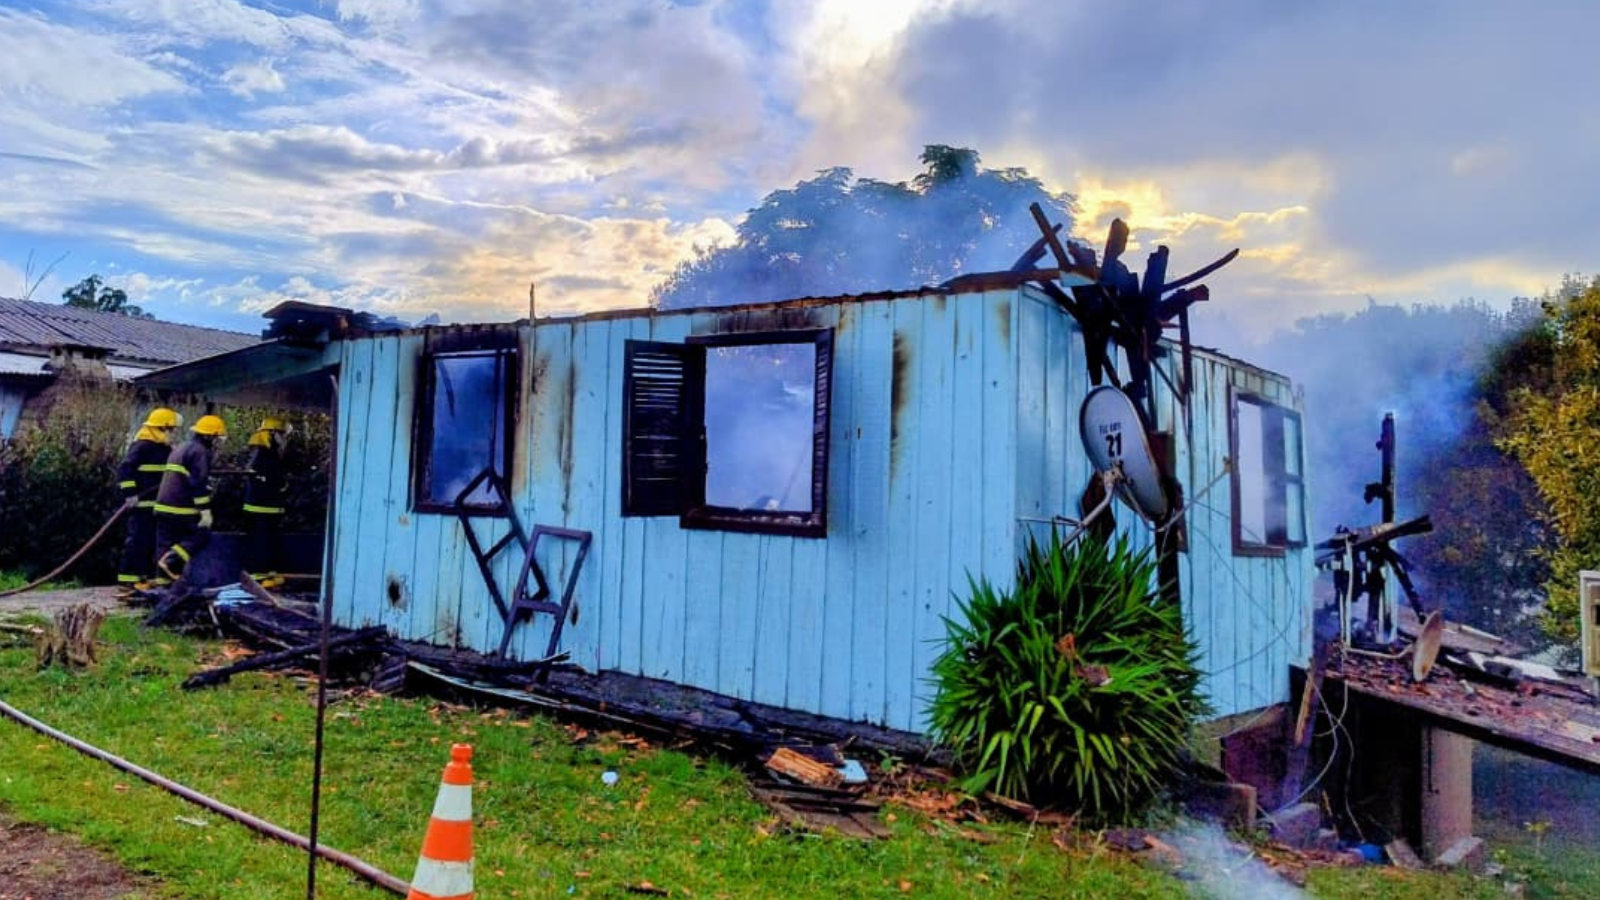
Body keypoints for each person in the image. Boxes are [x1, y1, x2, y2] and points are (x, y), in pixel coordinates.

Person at [114, 408, 183, 596]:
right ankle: (128, 581)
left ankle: (143, 577)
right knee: (137, 541)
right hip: (140, 504)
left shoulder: (164, 448)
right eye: (171, 430)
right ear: (162, 428)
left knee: (149, 542)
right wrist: (130, 493)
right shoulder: (142, 446)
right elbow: (125, 469)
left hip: (156, 505)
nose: (173, 433)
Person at [154, 414, 227, 582]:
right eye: (217, 438)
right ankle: (171, 559)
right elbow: (198, 484)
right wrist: (205, 512)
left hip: (162, 507)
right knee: (201, 535)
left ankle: (163, 586)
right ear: (208, 436)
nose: (217, 442)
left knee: (165, 544)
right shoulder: (200, 452)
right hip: (181, 508)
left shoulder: (182, 447)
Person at [242, 416, 292, 589]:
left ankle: (267, 573)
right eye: (281, 433)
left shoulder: (268, 450)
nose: (283, 437)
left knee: (268, 540)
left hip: (267, 506)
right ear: (272, 433)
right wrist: (279, 484)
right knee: (261, 540)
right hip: (261, 506)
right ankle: (258, 577)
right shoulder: (263, 451)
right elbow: (262, 477)